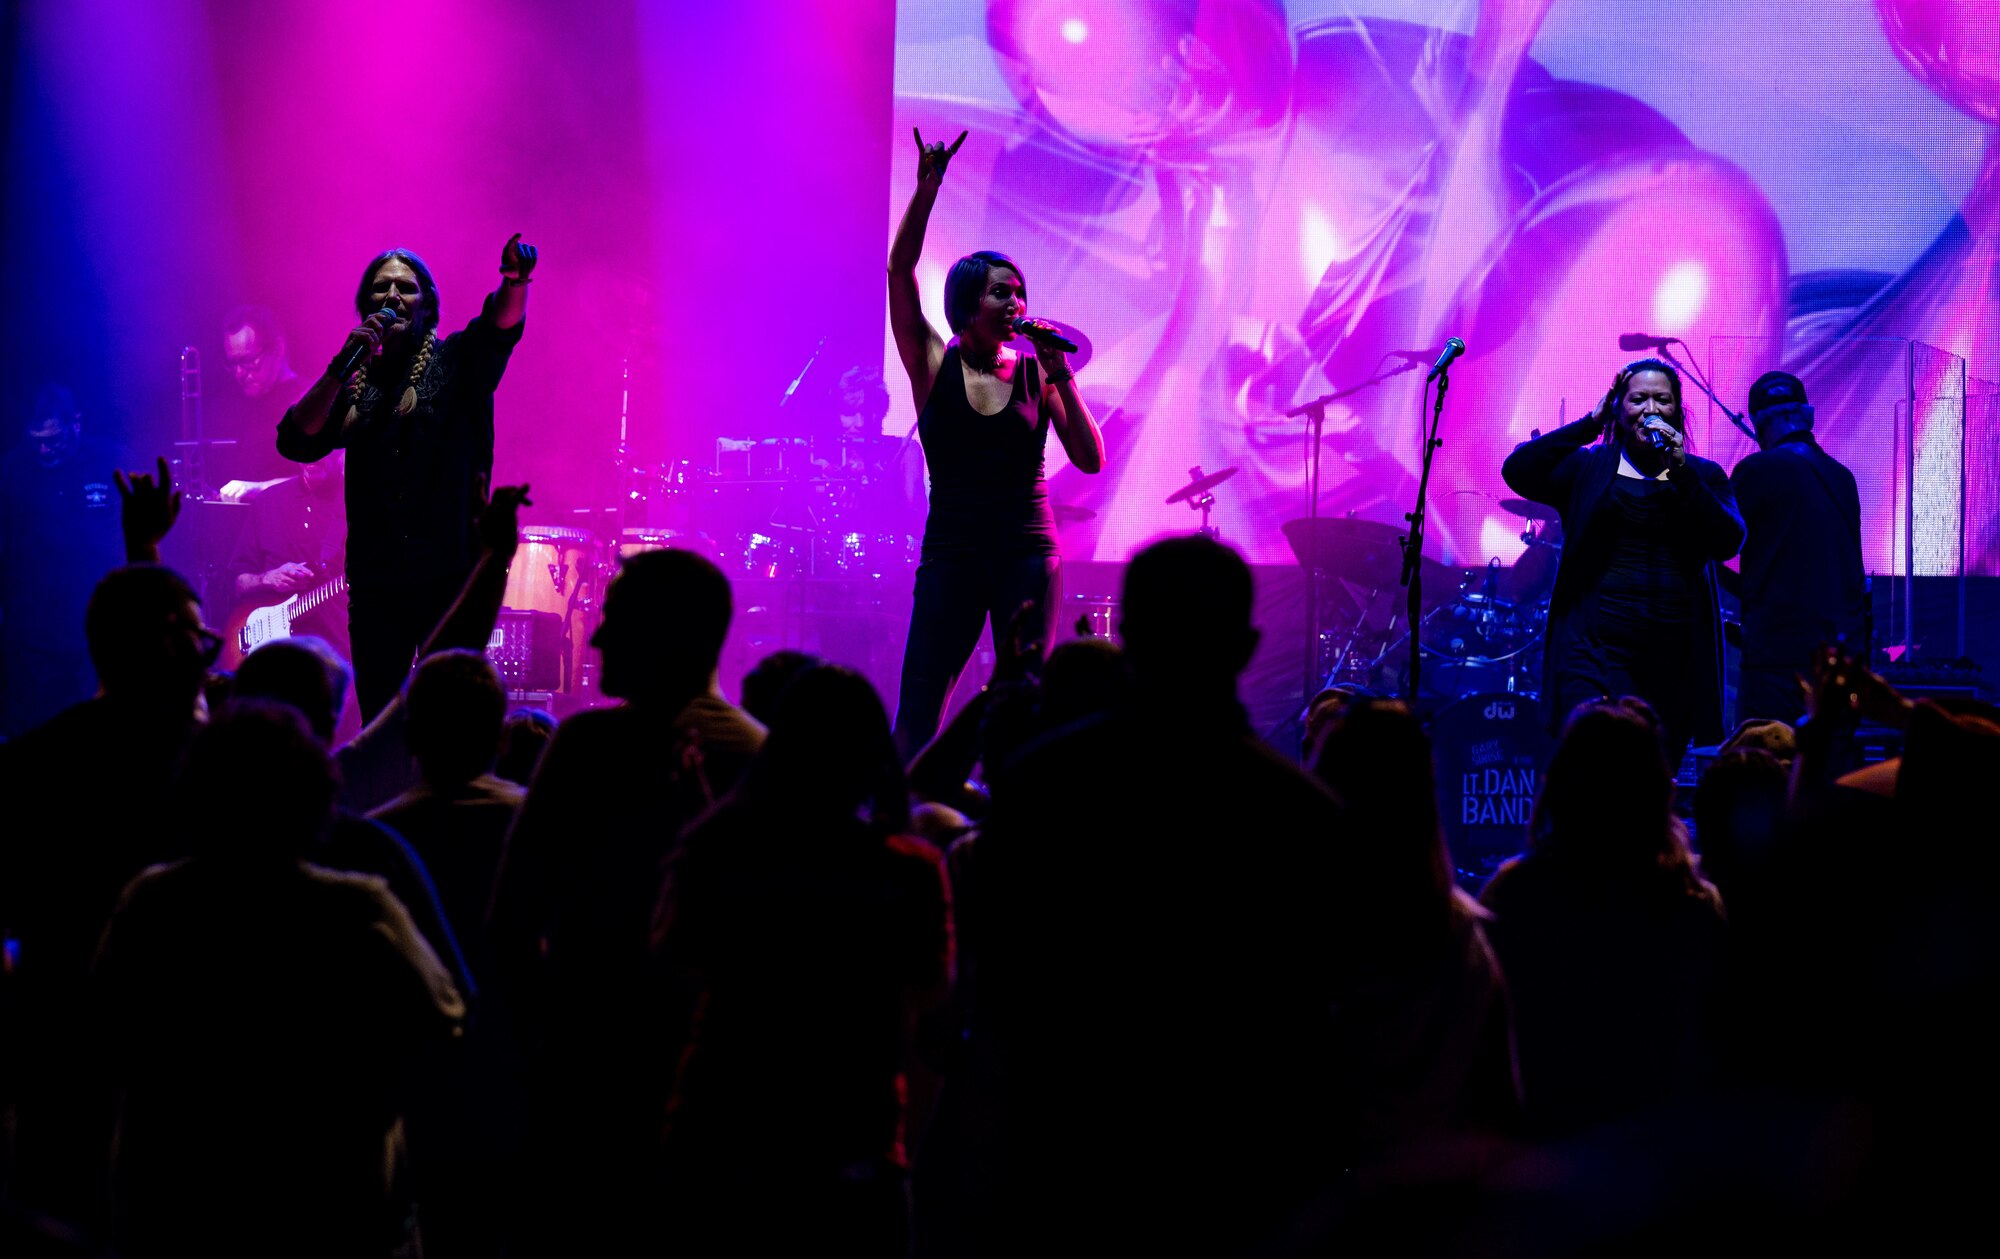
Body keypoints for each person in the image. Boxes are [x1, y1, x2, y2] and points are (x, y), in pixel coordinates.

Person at [958, 536, 1347, 1254]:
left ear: (1126, 632)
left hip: (1063, 1178)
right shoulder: (1303, 818)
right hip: (1240, 1191)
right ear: (1246, 646)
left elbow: (995, 1007)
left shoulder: (1044, 786)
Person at [92, 701, 464, 1258]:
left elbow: (102, 1035)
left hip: (176, 1205)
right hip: (334, 1204)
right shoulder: (359, 908)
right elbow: (446, 1022)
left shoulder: (152, 902)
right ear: (314, 796)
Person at [485, 547, 764, 1253]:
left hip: (588, 1083)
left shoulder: (587, 746)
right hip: (719, 1097)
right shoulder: (762, 759)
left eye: (616, 620)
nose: (599, 637)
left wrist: (529, 1052)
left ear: (665, 635)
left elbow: (511, 918)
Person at [655, 665, 949, 1253]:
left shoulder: (721, 850)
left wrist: (704, 821)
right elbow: (926, 1011)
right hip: (856, 1146)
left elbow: (674, 971)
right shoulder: (908, 869)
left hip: (724, 1136)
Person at [886, 127, 1105, 756]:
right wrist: (928, 191)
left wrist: (1060, 368)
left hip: (1028, 549)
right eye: (1002, 292)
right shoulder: (932, 360)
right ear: (968, 301)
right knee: (922, 702)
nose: (1017, 302)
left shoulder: (1038, 371)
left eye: (1021, 293)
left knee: (1025, 703)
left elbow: (1091, 459)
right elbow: (900, 271)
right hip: (953, 549)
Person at [278, 234, 537, 721]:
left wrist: (515, 280)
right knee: (381, 717)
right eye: (380, 288)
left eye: (406, 288)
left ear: (426, 307)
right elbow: (295, 439)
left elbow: (501, 325)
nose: (392, 296)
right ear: (364, 306)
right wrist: (340, 365)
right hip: (378, 583)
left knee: (450, 716)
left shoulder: (459, 361)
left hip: (451, 573)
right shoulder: (355, 385)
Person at [1477, 699, 1728, 1138]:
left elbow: (1481, 1044)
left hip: (1542, 1151)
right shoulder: (1694, 904)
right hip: (1662, 1155)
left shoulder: (1516, 893)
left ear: (1561, 784)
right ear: (1656, 791)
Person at [1501, 358, 1744, 764]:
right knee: (1599, 763)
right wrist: (1590, 422)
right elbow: (1518, 470)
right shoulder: (1589, 467)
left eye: (1662, 400)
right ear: (1619, 408)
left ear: (1677, 411)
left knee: (1652, 775)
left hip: (1673, 656)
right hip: (1595, 652)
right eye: (1638, 400)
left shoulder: (1701, 475)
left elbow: (1728, 541)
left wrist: (1681, 473)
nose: (1650, 410)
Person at [1727, 371, 1867, 725]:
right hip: (1838, 659)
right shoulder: (1843, 476)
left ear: (1758, 424)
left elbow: (1719, 542)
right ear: (1806, 414)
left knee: (1766, 765)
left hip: (1776, 659)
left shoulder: (1755, 470)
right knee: (1827, 769)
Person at [0, 385, 127, 735]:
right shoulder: (11, 472)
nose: (43, 450)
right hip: (33, 636)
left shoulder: (112, 461)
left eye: (53, 440)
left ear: (77, 424)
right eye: (36, 440)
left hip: (96, 629)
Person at [223, 449, 349, 662]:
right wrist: (267, 579)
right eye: (305, 445)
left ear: (339, 451)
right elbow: (237, 582)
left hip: (337, 654)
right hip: (270, 654)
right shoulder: (268, 502)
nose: (311, 454)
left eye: (321, 446)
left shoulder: (360, 502)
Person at [212, 304, 304, 498]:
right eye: (233, 363)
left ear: (278, 349)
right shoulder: (244, 406)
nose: (239, 372)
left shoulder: (306, 400)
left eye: (247, 360)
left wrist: (258, 489)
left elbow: (319, 477)